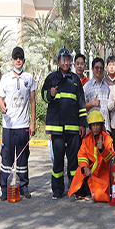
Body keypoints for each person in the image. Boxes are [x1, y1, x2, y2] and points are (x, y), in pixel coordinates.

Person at [42, 47, 87, 199]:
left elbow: (81, 104)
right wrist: (50, 94)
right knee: (58, 161)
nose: (65, 62)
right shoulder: (51, 78)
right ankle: (57, 190)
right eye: (63, 59)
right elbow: (44, 95)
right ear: (57, 61)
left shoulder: (75, 80)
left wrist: (82, 124)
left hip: (73, 128)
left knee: (73, 161)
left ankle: (74, 189)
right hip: (57, 129)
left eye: (68, 59)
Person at [0, 47, 37, 201]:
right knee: (7, 158)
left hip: (23, 126)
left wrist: (33, 123)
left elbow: (33, 101)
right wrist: (1, 105)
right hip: (8, 126)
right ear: (12, 60)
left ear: (23, 60)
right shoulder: (6, 78)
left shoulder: (29, 78)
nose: (18, 60)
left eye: (20, 58)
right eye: (16, 58)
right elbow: (0, 98)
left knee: (22, 159)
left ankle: (23, 187)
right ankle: (4, 188)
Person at [68, 110, 115, 202]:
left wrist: (102, 150)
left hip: (102, 173)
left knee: (102, 196)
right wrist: (85, 167)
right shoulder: (86, 139)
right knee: (79, 172)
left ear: (101, 126)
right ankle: (86, 191)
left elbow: (111, 159)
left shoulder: (107, 139)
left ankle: (92, 191)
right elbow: (81, 154)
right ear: (90, 126)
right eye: (93, 125)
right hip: (89, 172)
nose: (96, 128)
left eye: (98, 125)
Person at [84, 57, 111, 132]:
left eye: (101, 68)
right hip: (92, 128)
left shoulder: (106, 87)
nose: (99, 70)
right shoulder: (87, 86)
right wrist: (92, 103)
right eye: (96, 68)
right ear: (92, 69)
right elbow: (81, 106)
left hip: (105, 128)